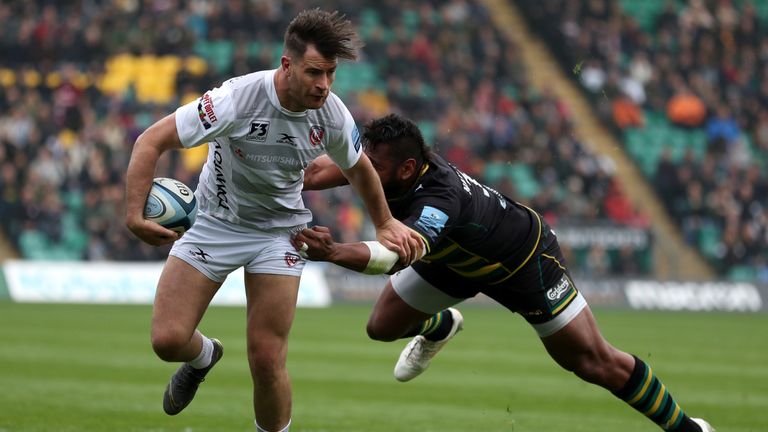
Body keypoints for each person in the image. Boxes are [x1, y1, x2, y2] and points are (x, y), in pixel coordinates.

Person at [296, 113, 715, 432]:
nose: (364, 172)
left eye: (375, 167)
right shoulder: (382, 167)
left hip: (524, 262)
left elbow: (393, 259)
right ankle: (440, 327)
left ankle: (688, 428)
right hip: (454, 260)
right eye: (363, 164)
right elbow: (314, 173)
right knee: (381, 327)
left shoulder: (439, 199)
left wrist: (332, 252)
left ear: (407, 170)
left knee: (591, 361)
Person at [124, 11, 421, 432]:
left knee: (266, 358)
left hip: (281, 233)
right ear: (287, 65)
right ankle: (204, 355)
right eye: (314, 72)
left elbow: (359, 168)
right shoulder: (235, 99)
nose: (324, 84)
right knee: (168, 341)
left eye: (331, 73)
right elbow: (150, 140)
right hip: (215, 222)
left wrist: (385, 222)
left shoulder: (333, 115)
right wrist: (133, 215)